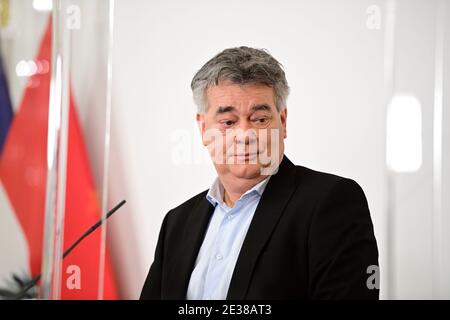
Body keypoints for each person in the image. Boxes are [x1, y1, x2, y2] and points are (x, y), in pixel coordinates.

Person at [140, 46, 379, 300]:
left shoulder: (331, 203)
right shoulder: (177, 223)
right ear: (202, 128)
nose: (245, 136)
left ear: (282, 122)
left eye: (260, 119)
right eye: (228, 122)